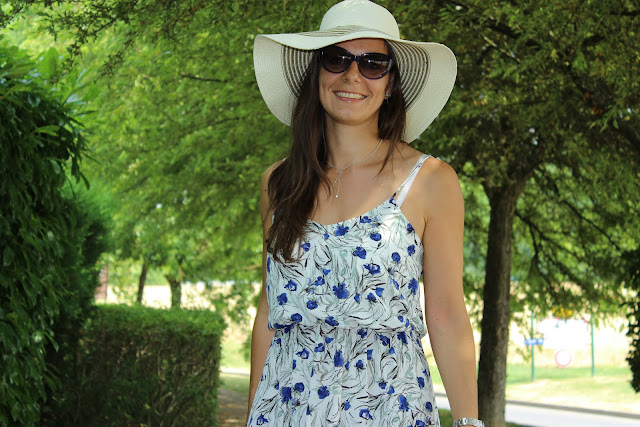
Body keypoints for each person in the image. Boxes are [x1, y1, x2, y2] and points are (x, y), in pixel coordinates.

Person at [247, 1, 482, 426]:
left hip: (390, 409)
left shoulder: (430, 180)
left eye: (373, 64)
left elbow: (446, 314)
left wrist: (470, 423)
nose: (352, 76)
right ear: (316, 72)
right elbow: (270, 311)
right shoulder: (279, 183)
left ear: (390, 83)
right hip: (285, 410)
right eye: (336, 59)